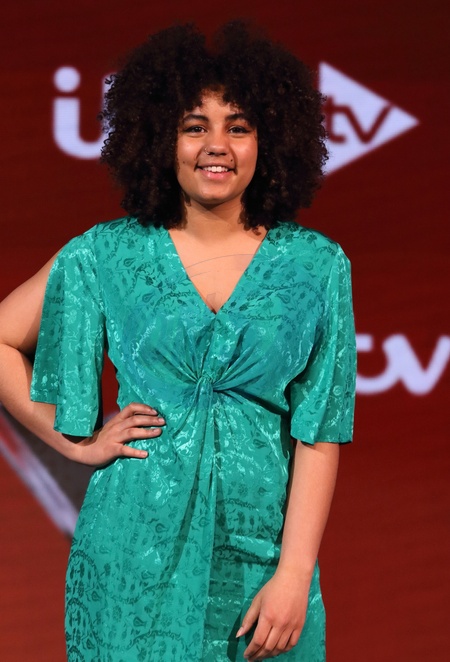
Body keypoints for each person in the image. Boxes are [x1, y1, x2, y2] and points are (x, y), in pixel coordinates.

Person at [0, 21, 356, 662]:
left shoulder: (317, 266)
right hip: (131, 554)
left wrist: (294, 574)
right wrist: (75, 444)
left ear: (270, 141)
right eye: (195, 126)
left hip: (263, 563)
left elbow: (320, 433)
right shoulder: (107, 253)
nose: (216, 145)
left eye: (238, 127)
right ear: (160, 137)